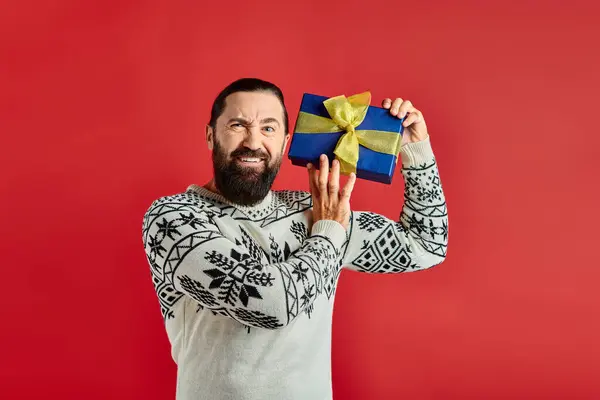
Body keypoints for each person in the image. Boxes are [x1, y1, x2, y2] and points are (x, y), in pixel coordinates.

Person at [141, 78, 448, 400]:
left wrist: (416, 148)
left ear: (286, 142)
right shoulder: (173, 218)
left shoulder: (313, 209)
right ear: (210, 136)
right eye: (237, 125)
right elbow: (270, 305)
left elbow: (426, 245)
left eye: (268, 128)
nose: (253, 142)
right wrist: (329, 233)